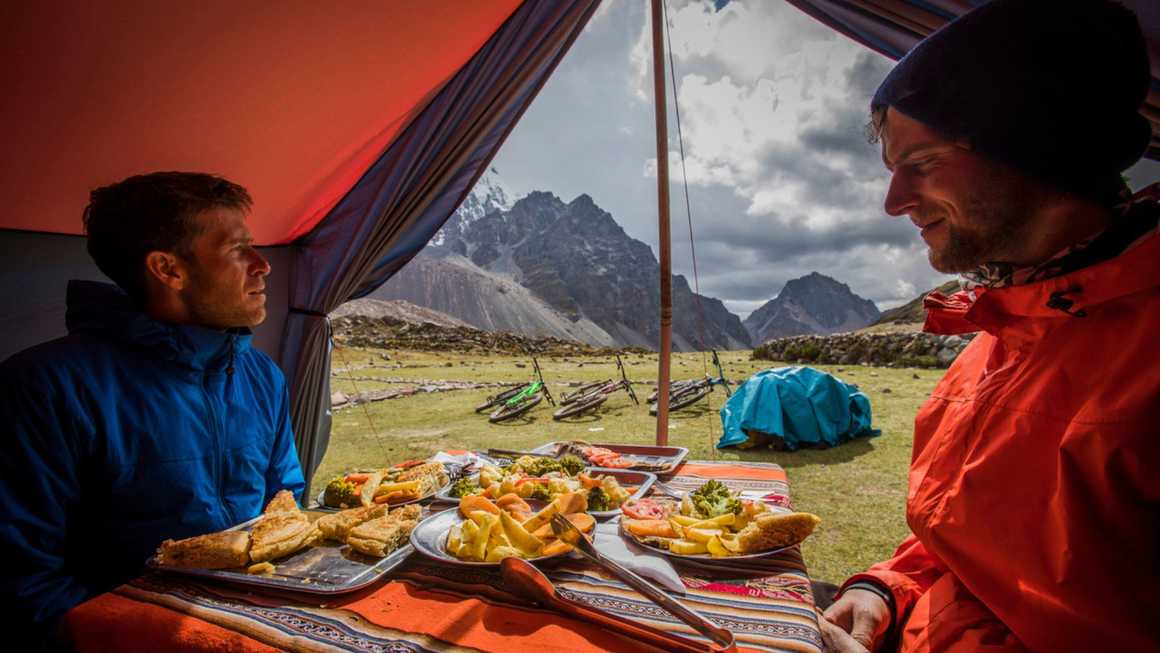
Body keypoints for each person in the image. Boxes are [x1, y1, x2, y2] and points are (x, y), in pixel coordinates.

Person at [817, 1, 1160, 652]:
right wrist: (884, 586)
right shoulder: (996, 335)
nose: (894, 203)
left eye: (922, 163)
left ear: (1036, 140)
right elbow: (962, 539)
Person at [0, 172, 306, 638]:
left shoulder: (261, 376)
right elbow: (23, 582)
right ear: (168, 269)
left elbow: (285, 503)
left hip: (256, 623)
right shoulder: (44, 388)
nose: (262, 265)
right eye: (236, 249)